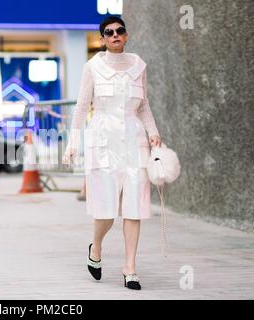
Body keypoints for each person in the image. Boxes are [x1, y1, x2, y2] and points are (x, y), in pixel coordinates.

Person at [63, 16, 162, 290]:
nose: (115, 35)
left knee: (135, 206)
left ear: (126, 36)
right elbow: (82, 108)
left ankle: (130, 267)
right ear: (102, 39)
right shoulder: (92, 67)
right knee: (105, 211)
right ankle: (96, 247)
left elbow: (144, 106)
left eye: (120, 31)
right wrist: (72, 143)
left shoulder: (139, 65)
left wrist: (153, 131)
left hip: (134, 141)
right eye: (109, 32)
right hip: (102, 141)